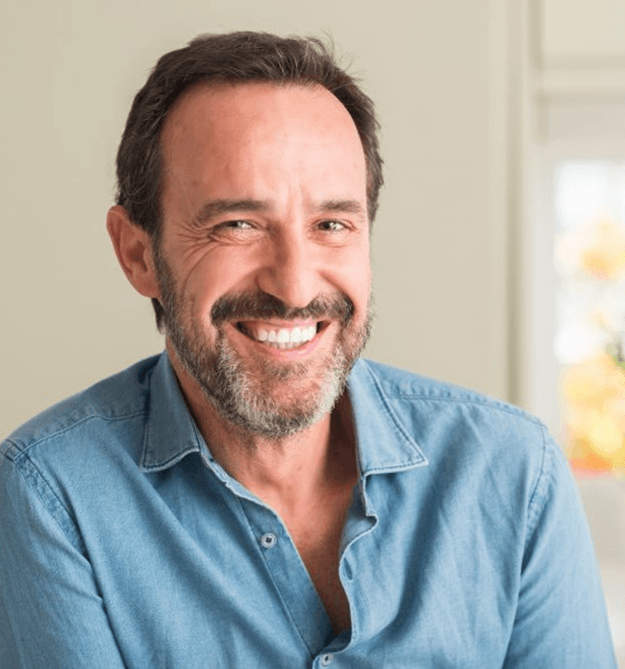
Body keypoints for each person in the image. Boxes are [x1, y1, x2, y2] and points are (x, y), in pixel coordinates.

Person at [0, 32, 617, 668]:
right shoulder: (52, 495)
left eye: (332, 225)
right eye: (237, 225)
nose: (294, 286)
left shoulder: (515, 476)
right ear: (138, 254)